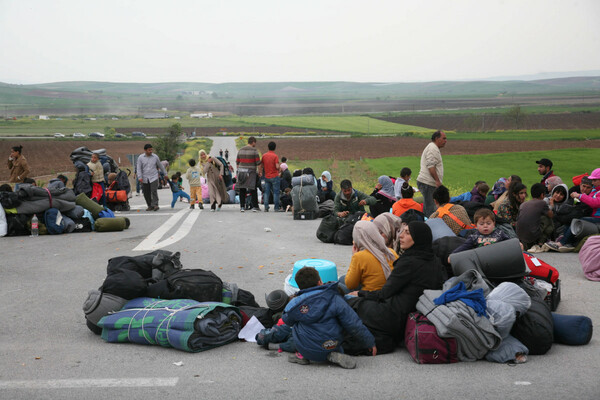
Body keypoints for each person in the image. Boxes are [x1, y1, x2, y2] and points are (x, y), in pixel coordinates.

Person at [347, 222, 445, 351]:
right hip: (416, 315)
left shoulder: (409, 262)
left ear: (419, 238)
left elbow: (384, 294)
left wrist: (360, 294)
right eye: (402, 231)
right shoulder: (434, 261)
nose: (401, 236)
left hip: (394, 315)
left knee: (349, 302)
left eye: (407, 233)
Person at [282, 266, 377, 368]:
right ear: (319, 282)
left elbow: (287, 320)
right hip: (333, 345)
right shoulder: (334, 297)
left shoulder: (296, 303)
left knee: (297, 323)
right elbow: (354, 323)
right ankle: (331, 353)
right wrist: (370, 343)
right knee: (341, 320)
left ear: (300, 287)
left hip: (307, 348)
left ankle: (303, 355)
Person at [547, 168, 600, 252]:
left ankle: (562, 242)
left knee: (577, 220)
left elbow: (595, 203)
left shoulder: (596, 191)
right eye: (592, 180)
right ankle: (565, 242)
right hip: (593, 216)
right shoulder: (595, 190)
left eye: (594, 180)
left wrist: (580, 196)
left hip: (597, 218)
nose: (593, 182)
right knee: (572, 219)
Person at [339, 221, 398, 293]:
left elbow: (350, 285)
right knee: (343, 278)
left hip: (369, 297)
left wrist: (354, 256)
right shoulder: (391, 252)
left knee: (335, 285)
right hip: (390, 293)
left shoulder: (359, 257)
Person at [417, 130, 447, 216]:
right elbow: (431, 166)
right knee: (431, 209)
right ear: (437, 139)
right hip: (428, 183)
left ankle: (426, 225)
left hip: (428, 183)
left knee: (428, 207)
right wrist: (437, 181)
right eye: (444, 138)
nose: (446, 141)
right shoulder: (432, 148)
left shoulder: (433, 147)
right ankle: (429, 227)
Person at [136, 143, 167, 211]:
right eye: (149, 150)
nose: (150, 151)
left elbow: (160, 166)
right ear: (145, 150)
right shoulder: (140, 158)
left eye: (151, 150)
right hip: (144, 178)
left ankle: (155, 205)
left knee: (154, 191)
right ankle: (150, 205)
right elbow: (138, 168)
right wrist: (139, 177)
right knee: (146, 193)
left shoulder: (155, 157)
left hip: (154, 177)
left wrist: (165, 174)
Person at [236, 136, 261, 212]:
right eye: (255, 143)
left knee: (242, 189)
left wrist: (239, 171)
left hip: (241, 171)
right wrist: (260, 172)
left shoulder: (240, 150)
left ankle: (242, 207)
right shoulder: (254, 151)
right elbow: (258, 163)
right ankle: (255, 206)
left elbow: (237, 162)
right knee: (252, 189)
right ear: (253, 142)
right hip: (251, 172)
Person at [260, 141, 281, 212]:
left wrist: (260, 172)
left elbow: (261, 166)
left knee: (266, 192)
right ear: (275, 148)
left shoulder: (264, 156)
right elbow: (277, 166)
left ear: (268, 147)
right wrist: (280, 169)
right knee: (276, 192)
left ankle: (266, 207)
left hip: (267, 176)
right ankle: (276, 208)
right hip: (274, 176)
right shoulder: (275, 156)